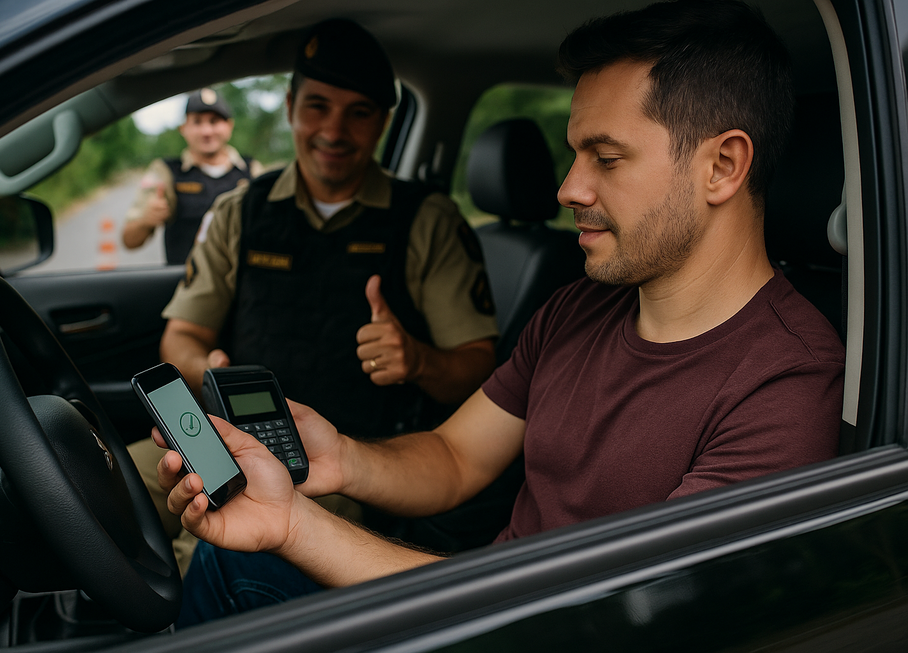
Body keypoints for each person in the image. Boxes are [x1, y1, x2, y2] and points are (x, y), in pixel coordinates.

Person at [159, 0, 845, 626]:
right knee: (226, 563)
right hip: (488, 599)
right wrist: (341, 458)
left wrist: (294, 525)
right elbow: (455, 457)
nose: (568, 188)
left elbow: (601, 623)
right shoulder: (579, 307)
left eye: (606, 158)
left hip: (535, 631)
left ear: (722, 166)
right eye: (575, 154)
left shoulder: (784, 384)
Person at [129, 17, 500, 574]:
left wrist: (419, 360)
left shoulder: (427, 220)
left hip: (342, 460)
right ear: (290, 107)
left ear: (383, 122)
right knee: (95, 482)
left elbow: (479, 368)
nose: (334, 130)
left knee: (213, 553)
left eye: (359, 112)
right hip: (229, 434)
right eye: (318, 106)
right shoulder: (240, 210)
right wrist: (210, 370)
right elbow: (181, 334)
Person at [121, 87, 264, 264]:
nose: (206, 131)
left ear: (229, 126)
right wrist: (146, 220)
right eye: (197, 122)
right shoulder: (166, 172)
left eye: (214, 121)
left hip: (238, 277)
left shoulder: (252, 171)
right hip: (184, 277)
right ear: (183, 128)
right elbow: (129, 241)